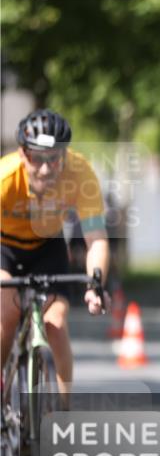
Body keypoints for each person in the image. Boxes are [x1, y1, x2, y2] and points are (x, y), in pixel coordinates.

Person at [1, 109, 109, 399]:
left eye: (54, 159)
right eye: (37, 158)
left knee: (56, 324)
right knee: (6, 315)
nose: (46, 169)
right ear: (23, 155)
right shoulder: (4, 178)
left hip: (47, 247)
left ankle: (64, 412)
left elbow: (96, 238)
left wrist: (95, 284)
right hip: (4, 249)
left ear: (64, 156)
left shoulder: (80, 173)